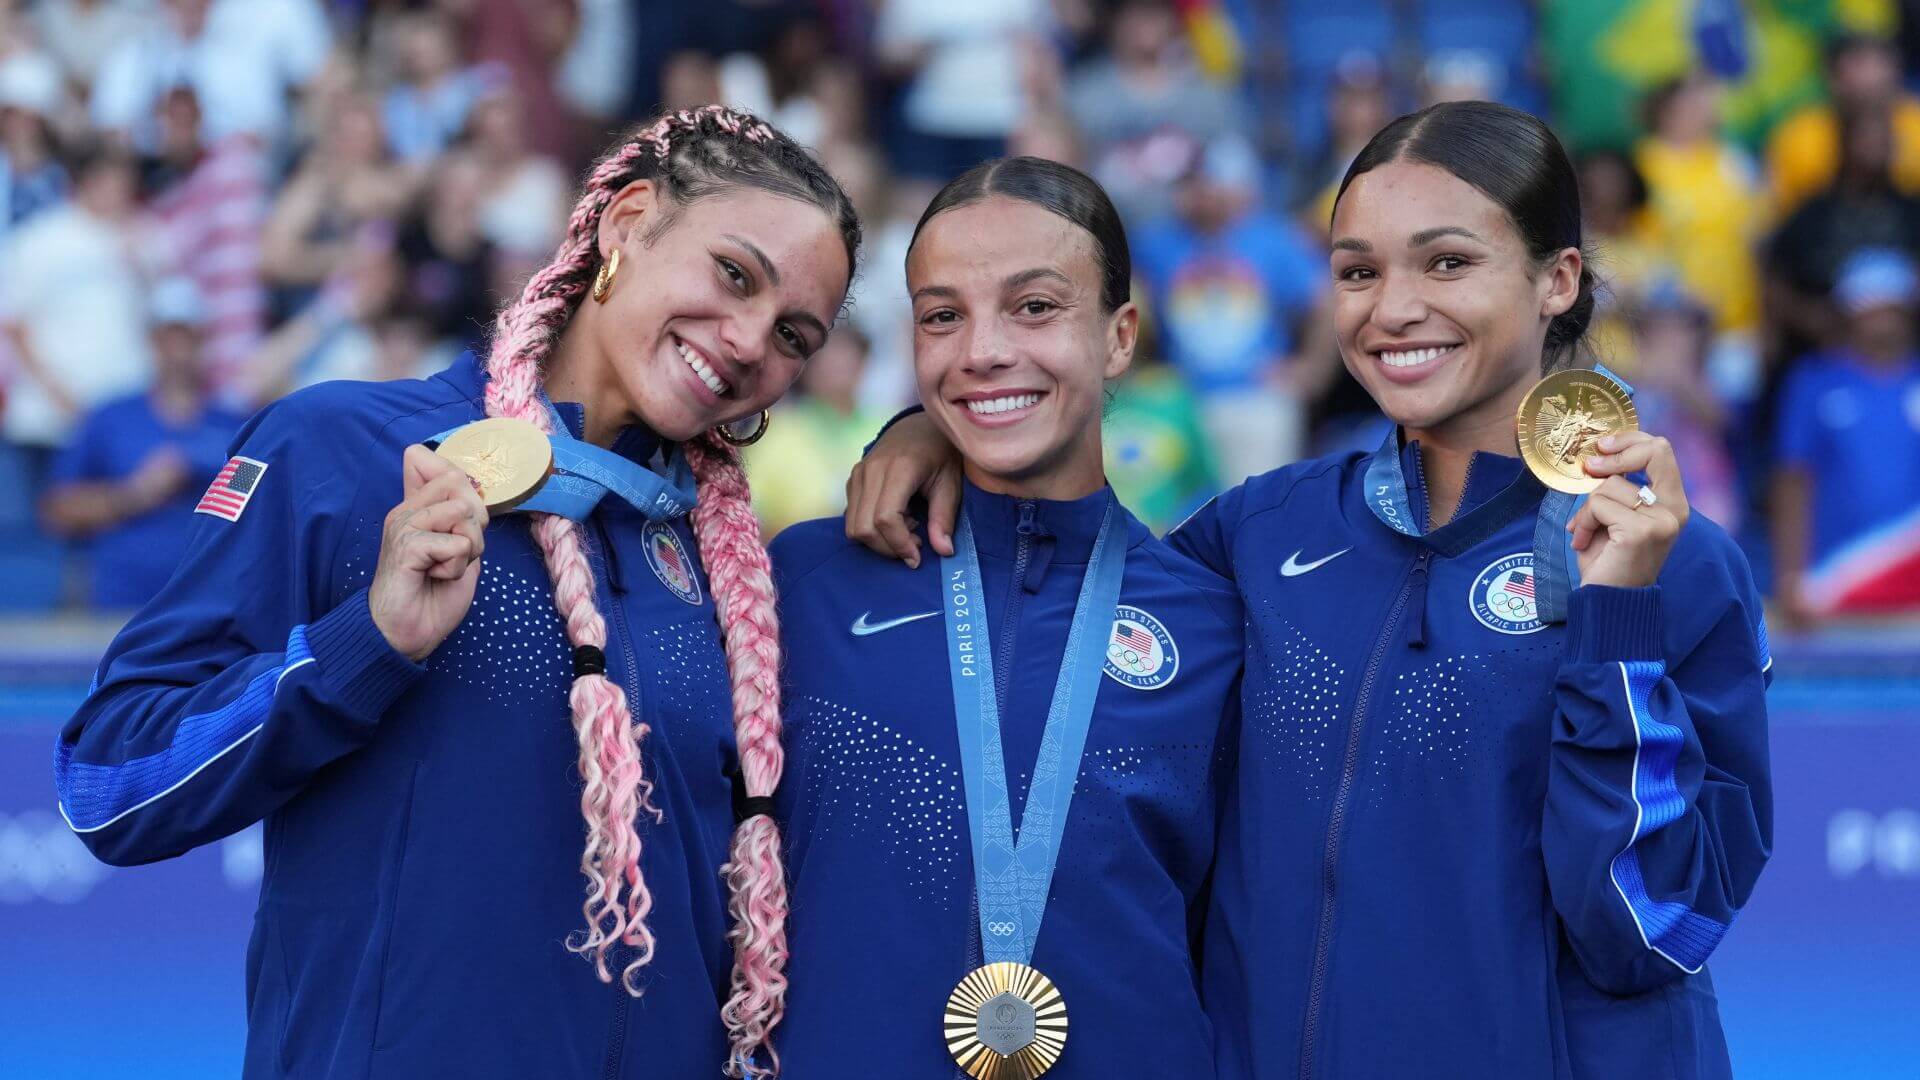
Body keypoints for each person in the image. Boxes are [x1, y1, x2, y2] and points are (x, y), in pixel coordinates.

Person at [849, 101, 1772, 1080]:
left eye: (1447, 262)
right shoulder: (1262, 533)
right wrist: (932, 431)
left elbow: (1653, 928)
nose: (1393, 308)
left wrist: (1614, 627)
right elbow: (1074, 573)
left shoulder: (1671, 563)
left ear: (1558, 278)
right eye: (1358, 271)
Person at [53, 106, 859, 1079]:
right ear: (628, 222)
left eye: (793, 332)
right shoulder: (346, 451)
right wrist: (366, 643)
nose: (746, 340)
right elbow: (108, 784)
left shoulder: (728, 570)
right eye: (733, 274)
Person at [772, 155, 1243, 1078]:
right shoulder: (808, 581)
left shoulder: (1215, 622)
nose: (982, 350)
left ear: (1118, 338)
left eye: (1034, 307)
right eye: (943, 315)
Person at [40, 278, 247, 609]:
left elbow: (258, 504)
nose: (178, 350)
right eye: (167, 338)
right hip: (122, 605)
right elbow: (58, 510)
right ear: (152, 342)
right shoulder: (110, 419)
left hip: (210, 607)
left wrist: (207, 475)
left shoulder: (235, 424)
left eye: (187, 338)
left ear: (203, 342)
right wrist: (134, 494)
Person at [1772, 248, 1920, 622]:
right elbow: (1793, 480)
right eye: (1868, 305)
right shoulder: (1814, 381)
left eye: (1890, 305)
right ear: (1848, 312)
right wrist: (1791, 576)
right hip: (1835, 584)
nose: (1880, 317)